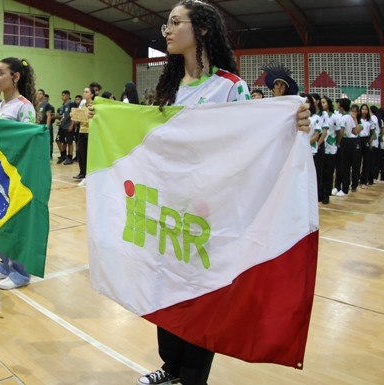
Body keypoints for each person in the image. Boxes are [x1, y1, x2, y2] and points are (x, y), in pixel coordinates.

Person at [115, 2, 310, 385]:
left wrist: (292, 122)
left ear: (202, 30)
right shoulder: (168, 88)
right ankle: (170, 367)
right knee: (165, 287)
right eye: (165, 24)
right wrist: (102, 117)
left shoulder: (229, 85)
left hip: (208, 216)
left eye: (175, 23)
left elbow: (249, 138)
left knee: (202, 297)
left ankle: (191, 376)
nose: (166, 31)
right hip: (166, 210)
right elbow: (150, 140)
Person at [0, 57, 37, 290]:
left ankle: (21, 272)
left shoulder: (24, 106)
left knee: (16, 222)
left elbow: (27, 142)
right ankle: (5, 263)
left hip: (15, 176)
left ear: (15, 77)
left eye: (0, 73)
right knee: (0, 221)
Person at [71, 86, 94, 182]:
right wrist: (74, 116)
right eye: (83, 91)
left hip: (90, 132)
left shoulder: (94, 105)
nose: (84, 93)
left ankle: (89, 173)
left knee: (89, 153)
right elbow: (78, 120)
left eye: (86, 92)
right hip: (81, 131)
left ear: (92, 94)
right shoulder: (83, 106)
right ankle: (82, 172)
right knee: (81, 152)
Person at [56, 90, 76, 164]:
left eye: (64, 95)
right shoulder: (64, 104)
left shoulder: (72, 103)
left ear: (68, 96)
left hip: (68, 126)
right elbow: (64, 115)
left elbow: (74, 114)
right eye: (62, 95)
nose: (62, 97)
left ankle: (70, 157)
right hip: (62, 126)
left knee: (69, 142)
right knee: (59, 140)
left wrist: (71, 125)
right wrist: (60, 121)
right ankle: (63, 155)